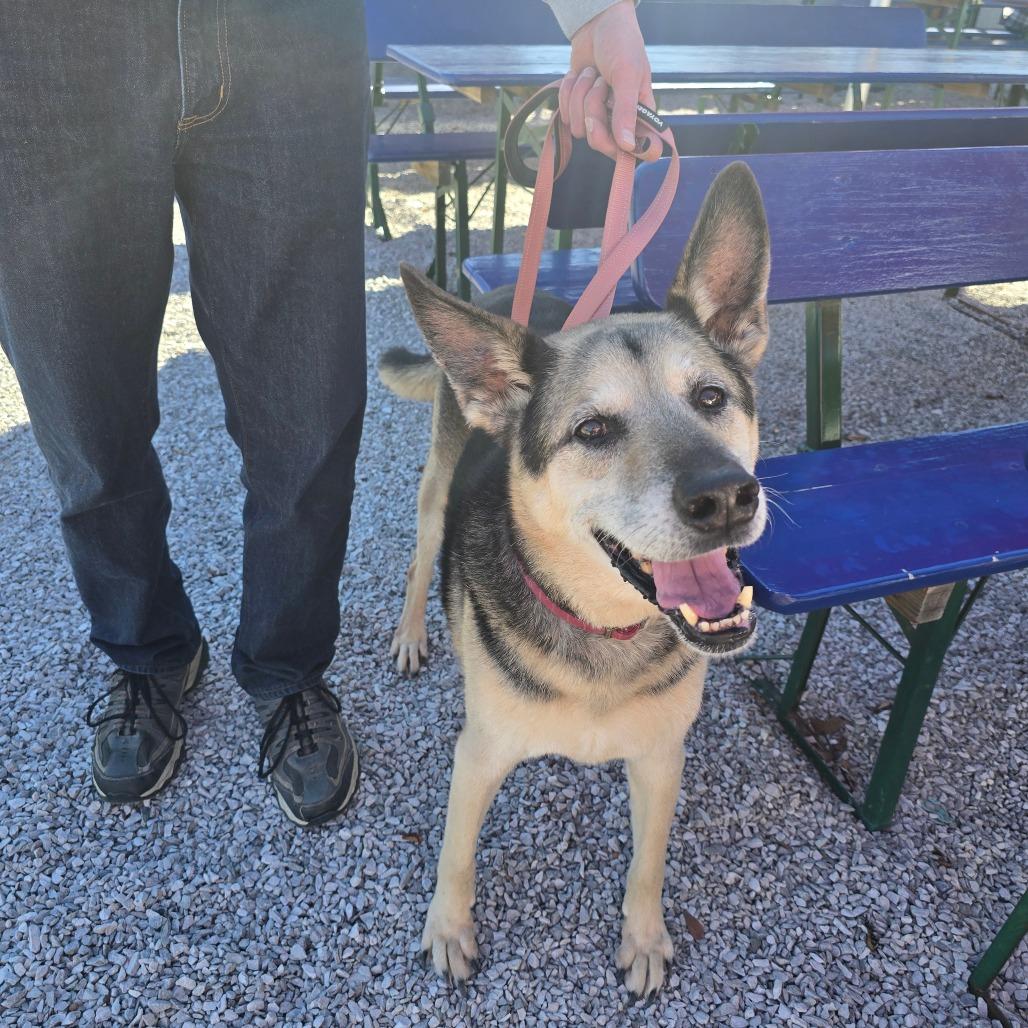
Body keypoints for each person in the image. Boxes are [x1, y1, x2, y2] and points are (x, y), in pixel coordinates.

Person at [0, 0, 654, 827]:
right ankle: (147, 650)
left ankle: (288, 667)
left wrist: (596, 11)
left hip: (286, 31)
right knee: (82, 414)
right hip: (41, 36)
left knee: (305, 422)